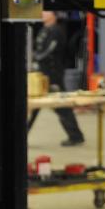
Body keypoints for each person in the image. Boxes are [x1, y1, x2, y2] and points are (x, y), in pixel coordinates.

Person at [29, 10, 84, 147]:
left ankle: (76, 135)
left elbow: (49, 50)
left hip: (53, 75)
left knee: (62, 106)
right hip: (41, 74)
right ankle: (21, 135)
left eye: (46, 12)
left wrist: (36, 58)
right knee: (34, 105)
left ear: (53, 15)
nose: (42, 13)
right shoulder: (44, 30)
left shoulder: (57, 31)